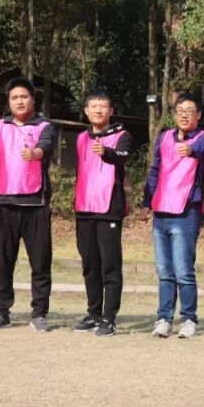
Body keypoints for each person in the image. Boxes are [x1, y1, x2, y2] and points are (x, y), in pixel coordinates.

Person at [0, 77, 59, 332]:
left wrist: (35, 153)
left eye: (24, 97)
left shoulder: (45, 126)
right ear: (9, 102)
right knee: (3, 262)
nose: (19, 101)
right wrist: (3, 175)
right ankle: (1, 312)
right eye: (14, 97)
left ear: (33, 100)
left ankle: (39, 313)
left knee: (40, 262)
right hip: (5, 203)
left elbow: (46, 147)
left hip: (36, 204)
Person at [141, 92, 204, 339]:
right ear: (175, 114)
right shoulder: (164, 137)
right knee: (164, 271)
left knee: (184, 270)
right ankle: (164, 318)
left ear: (198, 115)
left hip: (187, 212)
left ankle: (188, 319)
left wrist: (191, 148)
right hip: (161, 211)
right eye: (180, 111)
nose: (184, 115)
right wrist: (147, 202)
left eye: (190, 111)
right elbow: (155, 170)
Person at [72, 90, 132, 337]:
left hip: (109, 208)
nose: (98, 110)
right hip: (84, 208)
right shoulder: (80, 138)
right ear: (86, 111)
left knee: (110, 265)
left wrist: (106, 152)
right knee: (90, 265)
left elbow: (122, 157)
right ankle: (94, 313)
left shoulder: (122, 136)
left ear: (111, 111)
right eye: (93, 106)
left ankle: (109, 318)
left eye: (103, 106)